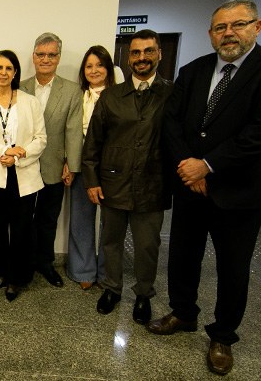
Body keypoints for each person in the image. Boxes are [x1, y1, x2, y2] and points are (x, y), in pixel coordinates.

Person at [149, 0, 261, 375]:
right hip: (190, 186)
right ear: (210, 33)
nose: (228, 33)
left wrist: (208, 166)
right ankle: (183, 313)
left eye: (238, 24)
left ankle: (223, 335)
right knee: (183, 255)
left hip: (239, 191)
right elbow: (173, 123)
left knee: (233, 267)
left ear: (257, 26)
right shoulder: (193, 70)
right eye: (220, 27)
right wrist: (189, 167)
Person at [82, 29, 172, 325]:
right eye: (135, 52)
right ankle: (112, 289)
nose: (142, 57)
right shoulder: (111, 96)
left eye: (148, 51)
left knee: (147, 245)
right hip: (113, 183)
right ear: (128, 57)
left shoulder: (171, 94)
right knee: (111, 241)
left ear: (159, 53)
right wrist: (92, 180)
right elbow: (92, 142)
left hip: (152, 184)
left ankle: (144, 294)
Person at [0, 50, 46, 302]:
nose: (3, 72)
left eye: (8, 68)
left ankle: (17, 278)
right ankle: (0, 271)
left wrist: (18, 155)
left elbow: (40, 139)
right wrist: (4, 151)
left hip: (24, 175)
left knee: (22, 229)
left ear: (15, 73)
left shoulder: (30, 101)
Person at [19, 32, 82, 288]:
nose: (46, 59)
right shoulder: (20, 87)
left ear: (58, 58)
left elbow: (73, 130)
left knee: (47, 219)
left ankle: (44, 263)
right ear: (33, 57)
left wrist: (72, 164)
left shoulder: (71, 90)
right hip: (22, 167)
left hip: (54, 167)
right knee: (23, 220)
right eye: (41, 54)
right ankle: (23, 263)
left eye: (51, 55)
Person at [66, 45, 117, 289]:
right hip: (81, 164)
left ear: (108, 68)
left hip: (112, 168)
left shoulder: (119, 96)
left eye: (99, 65)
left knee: (111, 223)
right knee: (81, 220)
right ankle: (83, 271)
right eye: (89, 66)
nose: (94, 70)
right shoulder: (78, 96)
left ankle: (107, 274)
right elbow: (70, 133)